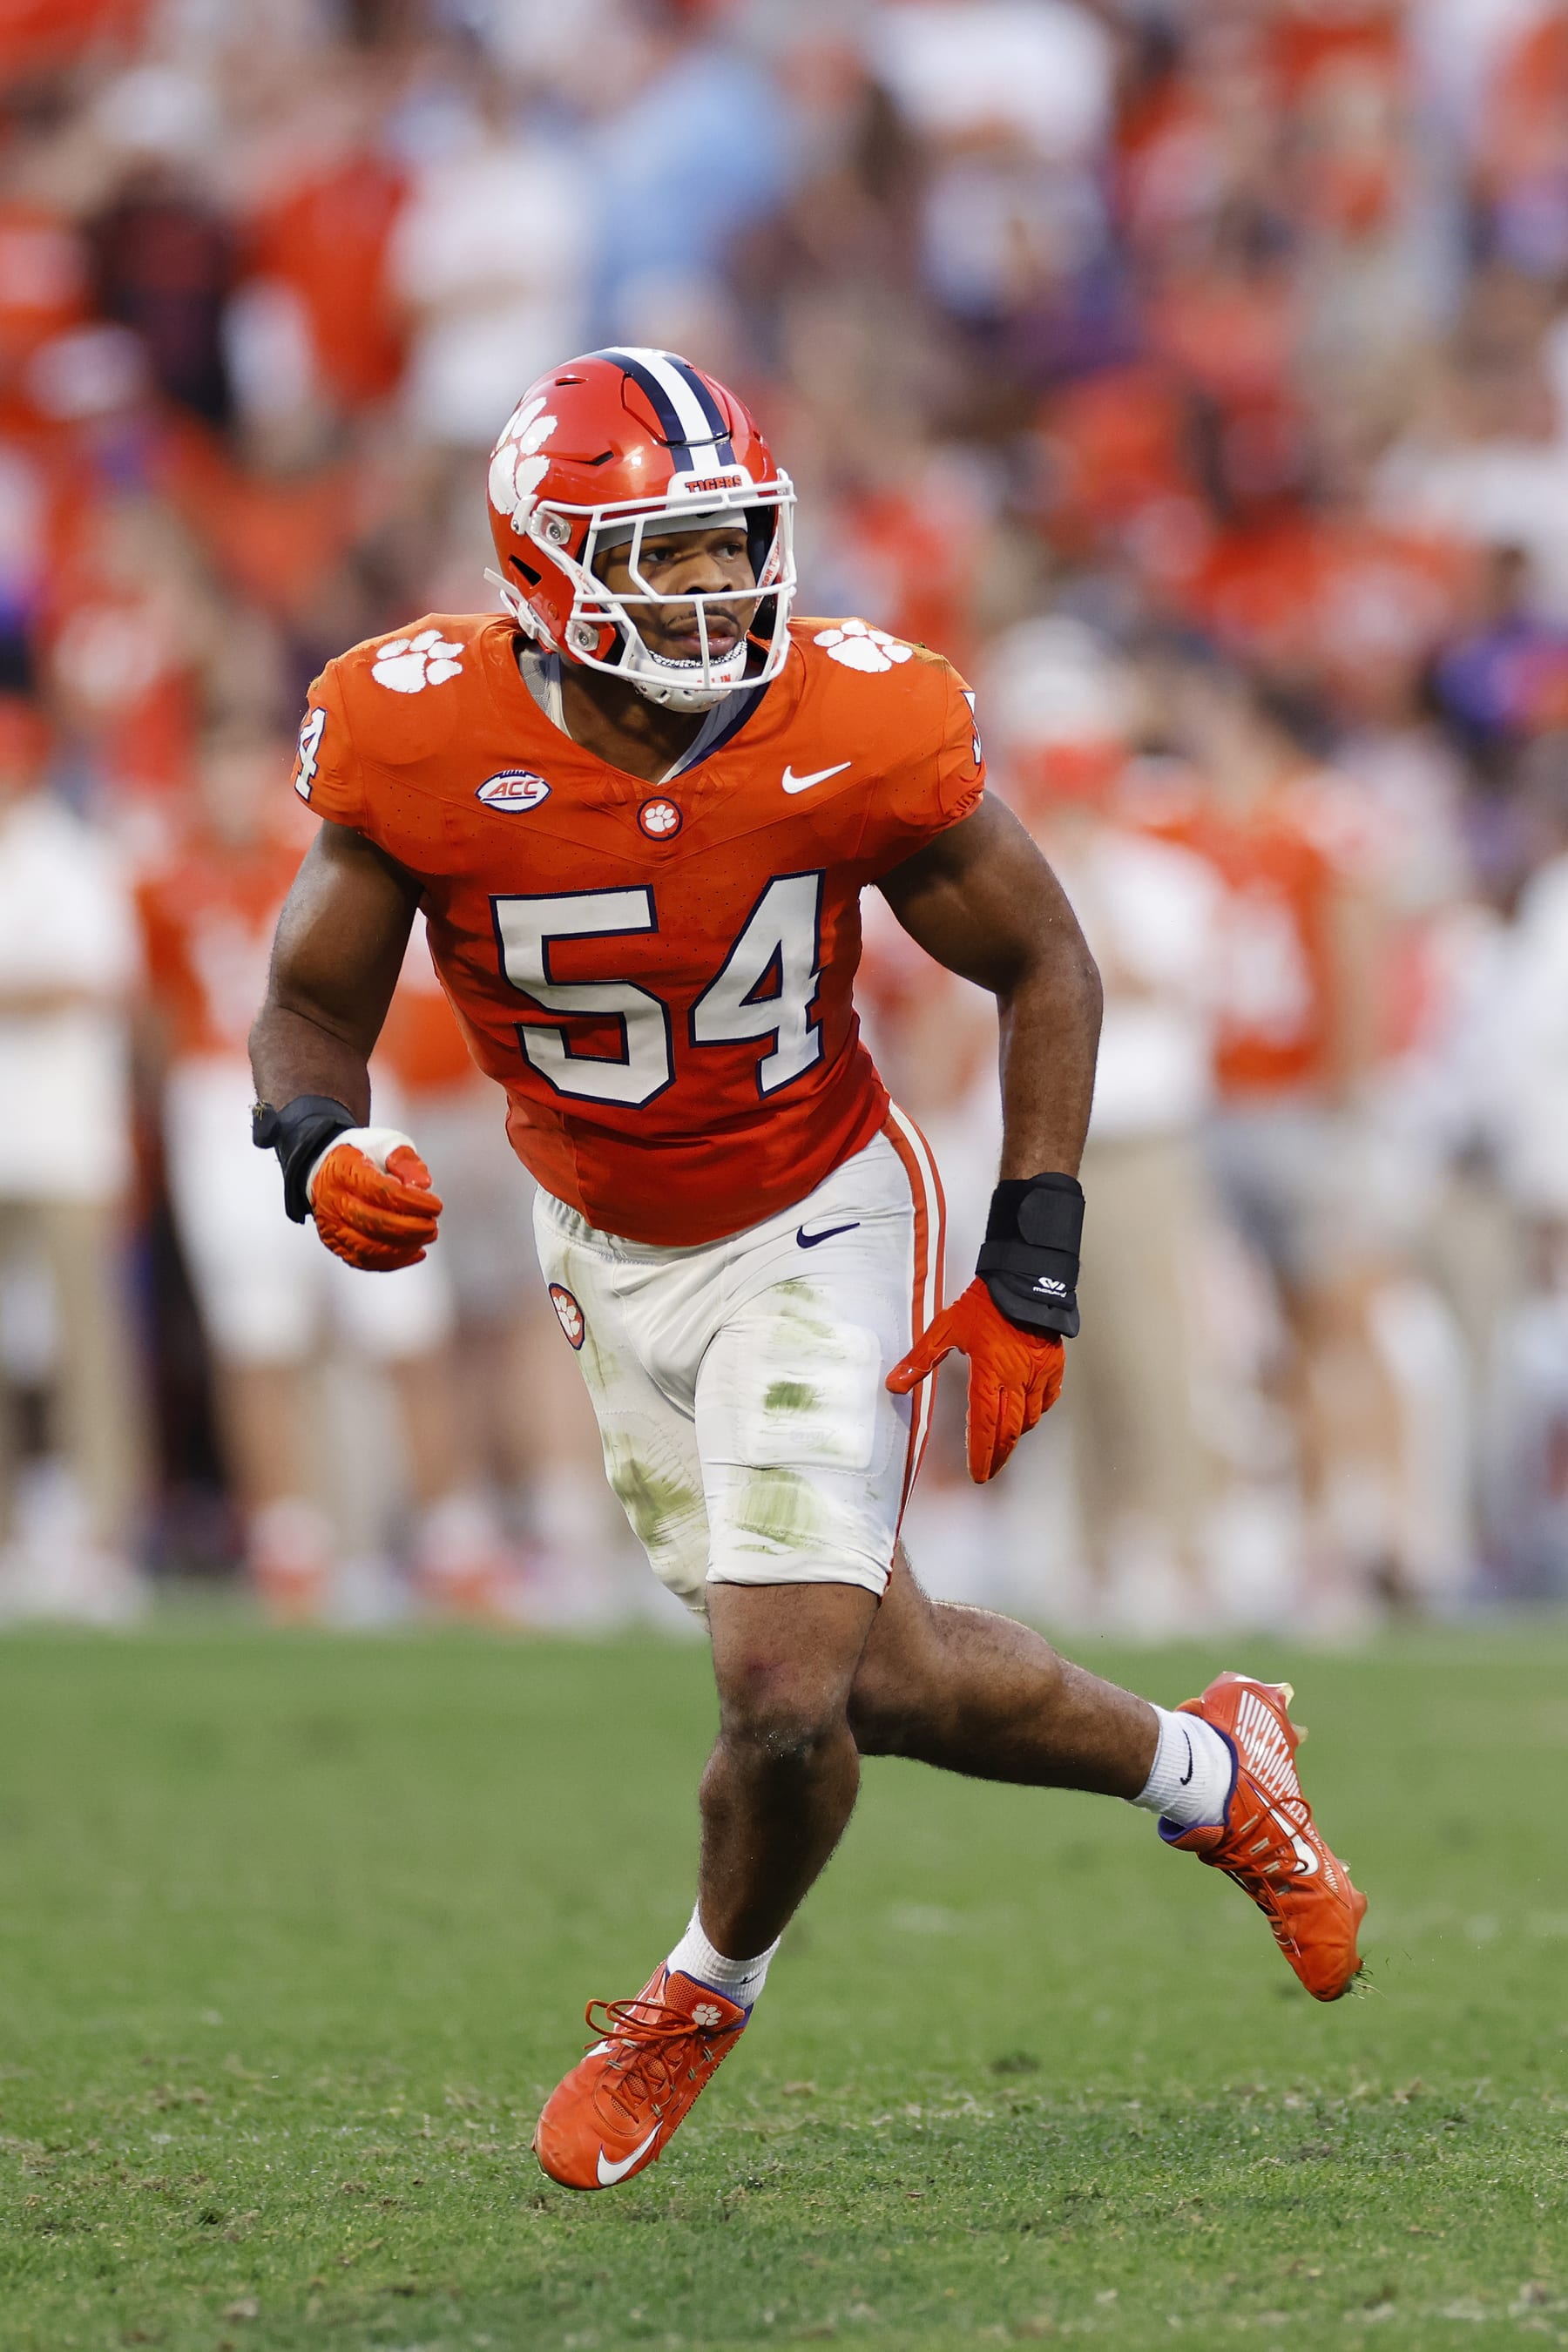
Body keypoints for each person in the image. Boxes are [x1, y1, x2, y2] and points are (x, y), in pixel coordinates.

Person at [247, 348, 1367, 2192]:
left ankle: (702, 1986)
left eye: (729, 547)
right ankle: (1216, 1771)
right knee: (891, 1684)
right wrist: (317, 1145)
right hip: (602, 1240)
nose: (711, 591)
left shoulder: (856, 714)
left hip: (817, 1209)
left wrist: (1035, 1255)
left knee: (781, 1691)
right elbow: (308, 1000)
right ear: (542, 567)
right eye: (665, 555)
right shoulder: (417, 726)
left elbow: (1047, 963)